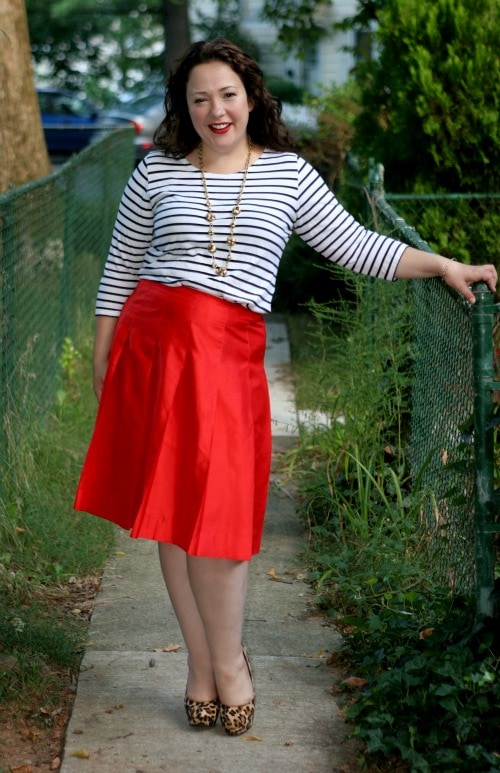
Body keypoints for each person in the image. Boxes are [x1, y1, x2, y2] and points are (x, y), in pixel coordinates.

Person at [74, 38, 498, 736]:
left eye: (228, 95)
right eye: (200, 98)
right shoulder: (155, 175)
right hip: (153, 350)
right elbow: (118, 272)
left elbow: (361, 246)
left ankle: (233, 662)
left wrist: (446, 263)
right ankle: (202, 665)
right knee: (171, 516)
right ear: (184, 108)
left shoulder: (289, 177)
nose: (216, 110)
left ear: (252, 98)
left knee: (224, 522)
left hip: (228, 360)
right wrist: (102, 360)